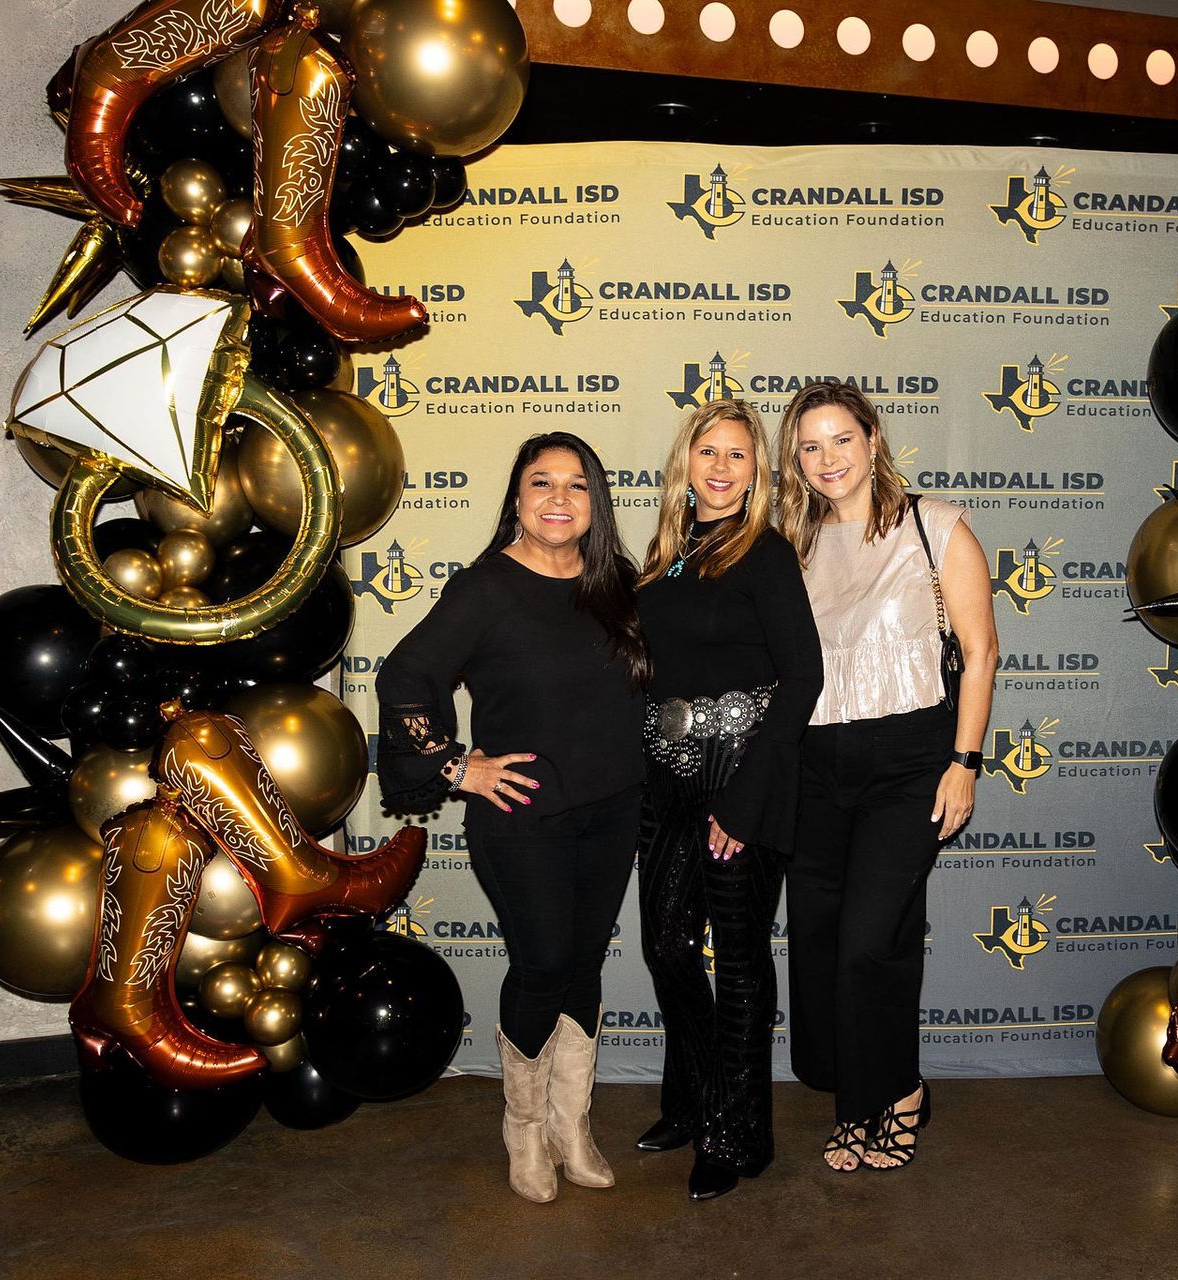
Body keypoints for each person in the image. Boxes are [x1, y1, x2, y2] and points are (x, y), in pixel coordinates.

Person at [375, 432, 649, 1204]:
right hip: (525, 817)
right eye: (541, 483)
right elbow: (405, 675)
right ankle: (524, 1131)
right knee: (540, 967)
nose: (559, 498)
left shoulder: (617, 584)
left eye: (576, 484)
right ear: (517, 500)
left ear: (595, 501)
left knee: (583, 965)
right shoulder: (486, 588)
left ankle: (573, 1124)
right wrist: (458, 767)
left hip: (614, 809)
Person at [776, 381, 998, 1172]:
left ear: (873, 439)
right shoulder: (790, 545)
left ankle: (892, 1093)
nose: (827, 458)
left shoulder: (933, 528)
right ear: (795, 461)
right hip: (814, 766)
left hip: (909, 762)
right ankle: (858, 1097)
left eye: (841, 439)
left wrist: (963, 763)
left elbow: (980, 653)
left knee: (871, 943)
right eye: (810, 445)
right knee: (826, 944)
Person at [632, 400, 823, 1201]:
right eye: (707, 451)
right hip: (669, 777)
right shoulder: (667, 553)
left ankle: (737, 1133)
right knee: (668, 947)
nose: (720, 467)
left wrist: (743, 802)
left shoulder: (766, 554)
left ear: (757, 474)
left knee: (740, 963)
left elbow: (803, 677)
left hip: (744, 776)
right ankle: (691, 1101)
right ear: (686, 462)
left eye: (737, 456)